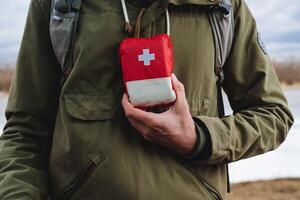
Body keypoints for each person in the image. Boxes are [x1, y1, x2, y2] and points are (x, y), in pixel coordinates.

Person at [0, 0, 294, 199]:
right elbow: (25, 132)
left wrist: (200, 137)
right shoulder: (59, 6)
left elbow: (274, 116)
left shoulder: (223, 7)